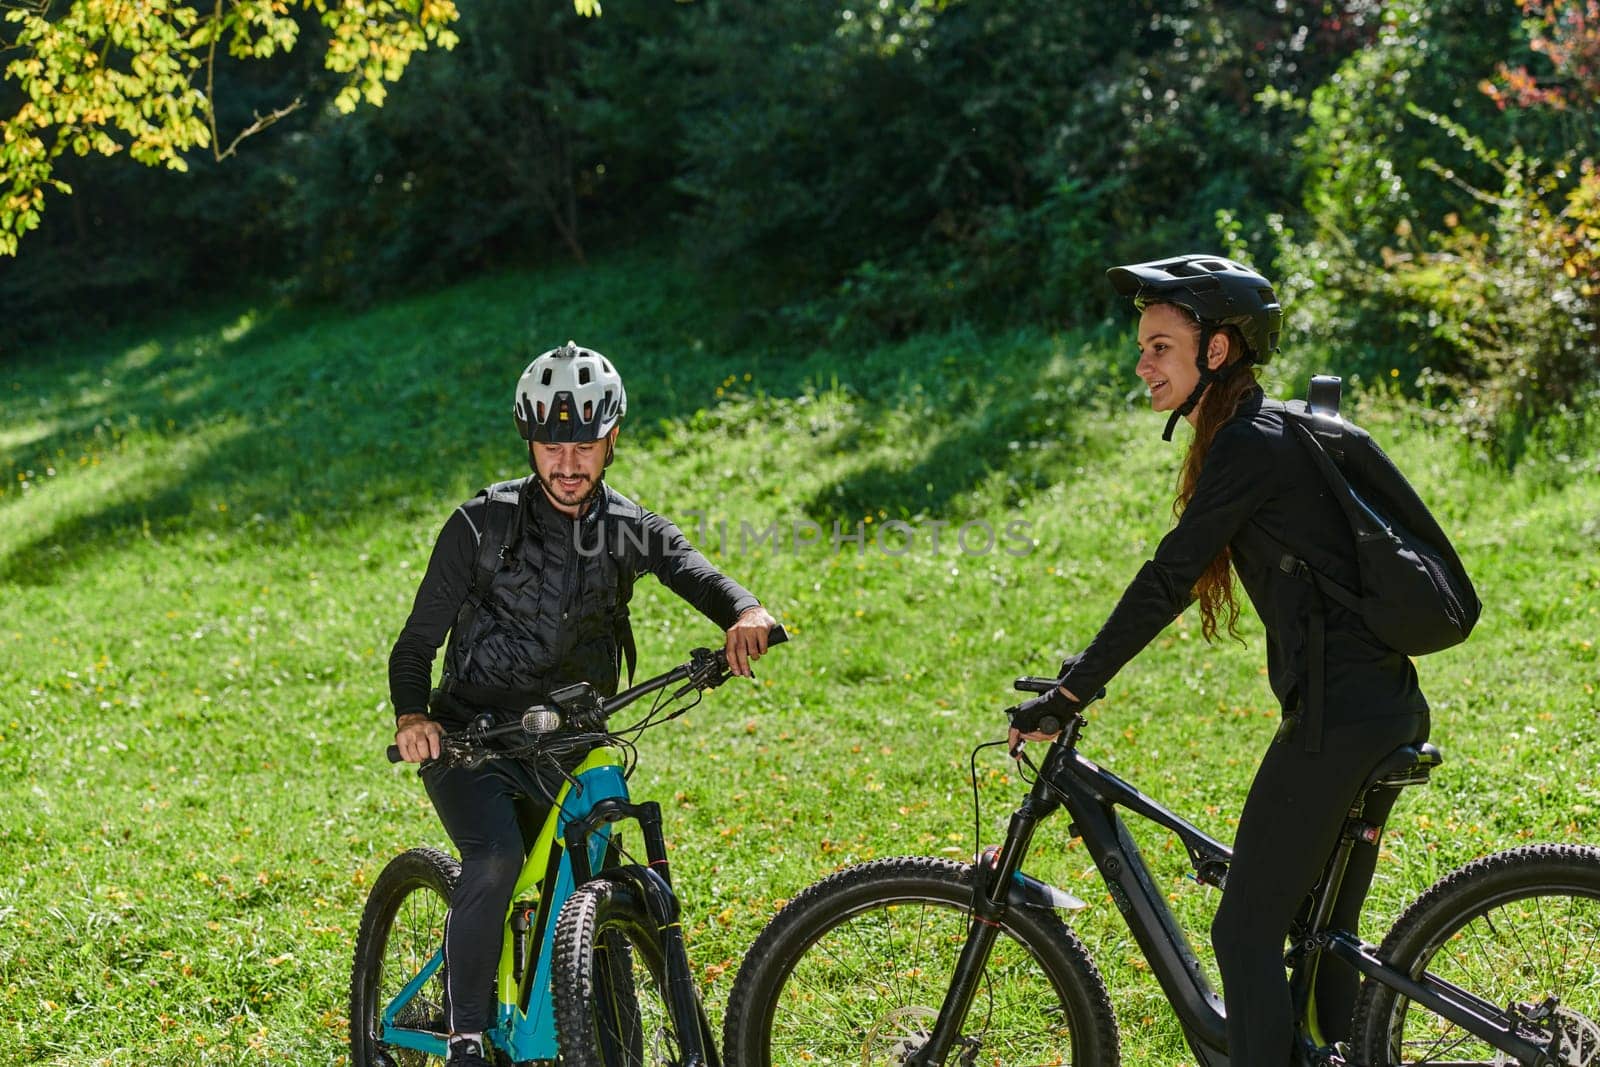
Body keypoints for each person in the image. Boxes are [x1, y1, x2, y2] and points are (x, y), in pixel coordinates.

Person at [1008, 255, 1430, 1065]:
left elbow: (1168, 577)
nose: (1142, 364)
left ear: (1218, 351)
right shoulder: (1256, 437)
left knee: (1243, 931)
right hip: (1372, 706)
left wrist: (1072, 690)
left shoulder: (1252, 443)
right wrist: (1079, 672)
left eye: (1161, 346)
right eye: (1142, 346)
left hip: (1341, 720)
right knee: (1317, 936)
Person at [387, 341, 778, 1067]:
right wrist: (416, 718)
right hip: (476, 741)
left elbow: (688, 566)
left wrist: (744, 611)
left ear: (612, 440)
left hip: (572, 738)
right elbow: (414, 647)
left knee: (598, 869)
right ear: (529, 442)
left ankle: (604, 1035)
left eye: (585, 445)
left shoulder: (628, 526)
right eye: (552, 445)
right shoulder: (480, 526)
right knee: (497, 855)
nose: (569, 464)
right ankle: (467, 1035)